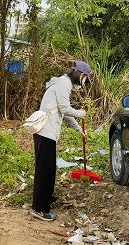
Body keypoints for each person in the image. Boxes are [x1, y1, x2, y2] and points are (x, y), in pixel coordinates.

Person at [30, 61, 90, 221]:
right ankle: (39, 208)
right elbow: (66, 109)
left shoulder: (63, 83)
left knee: (49, 169)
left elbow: (65, 113)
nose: (84, 83)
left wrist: (79, 129)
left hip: (47, 132)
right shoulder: (64, 84)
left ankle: (45, 198)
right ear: (81, 75)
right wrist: (81, 113)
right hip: (45, 131)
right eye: (85, 79)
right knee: (44, 170)